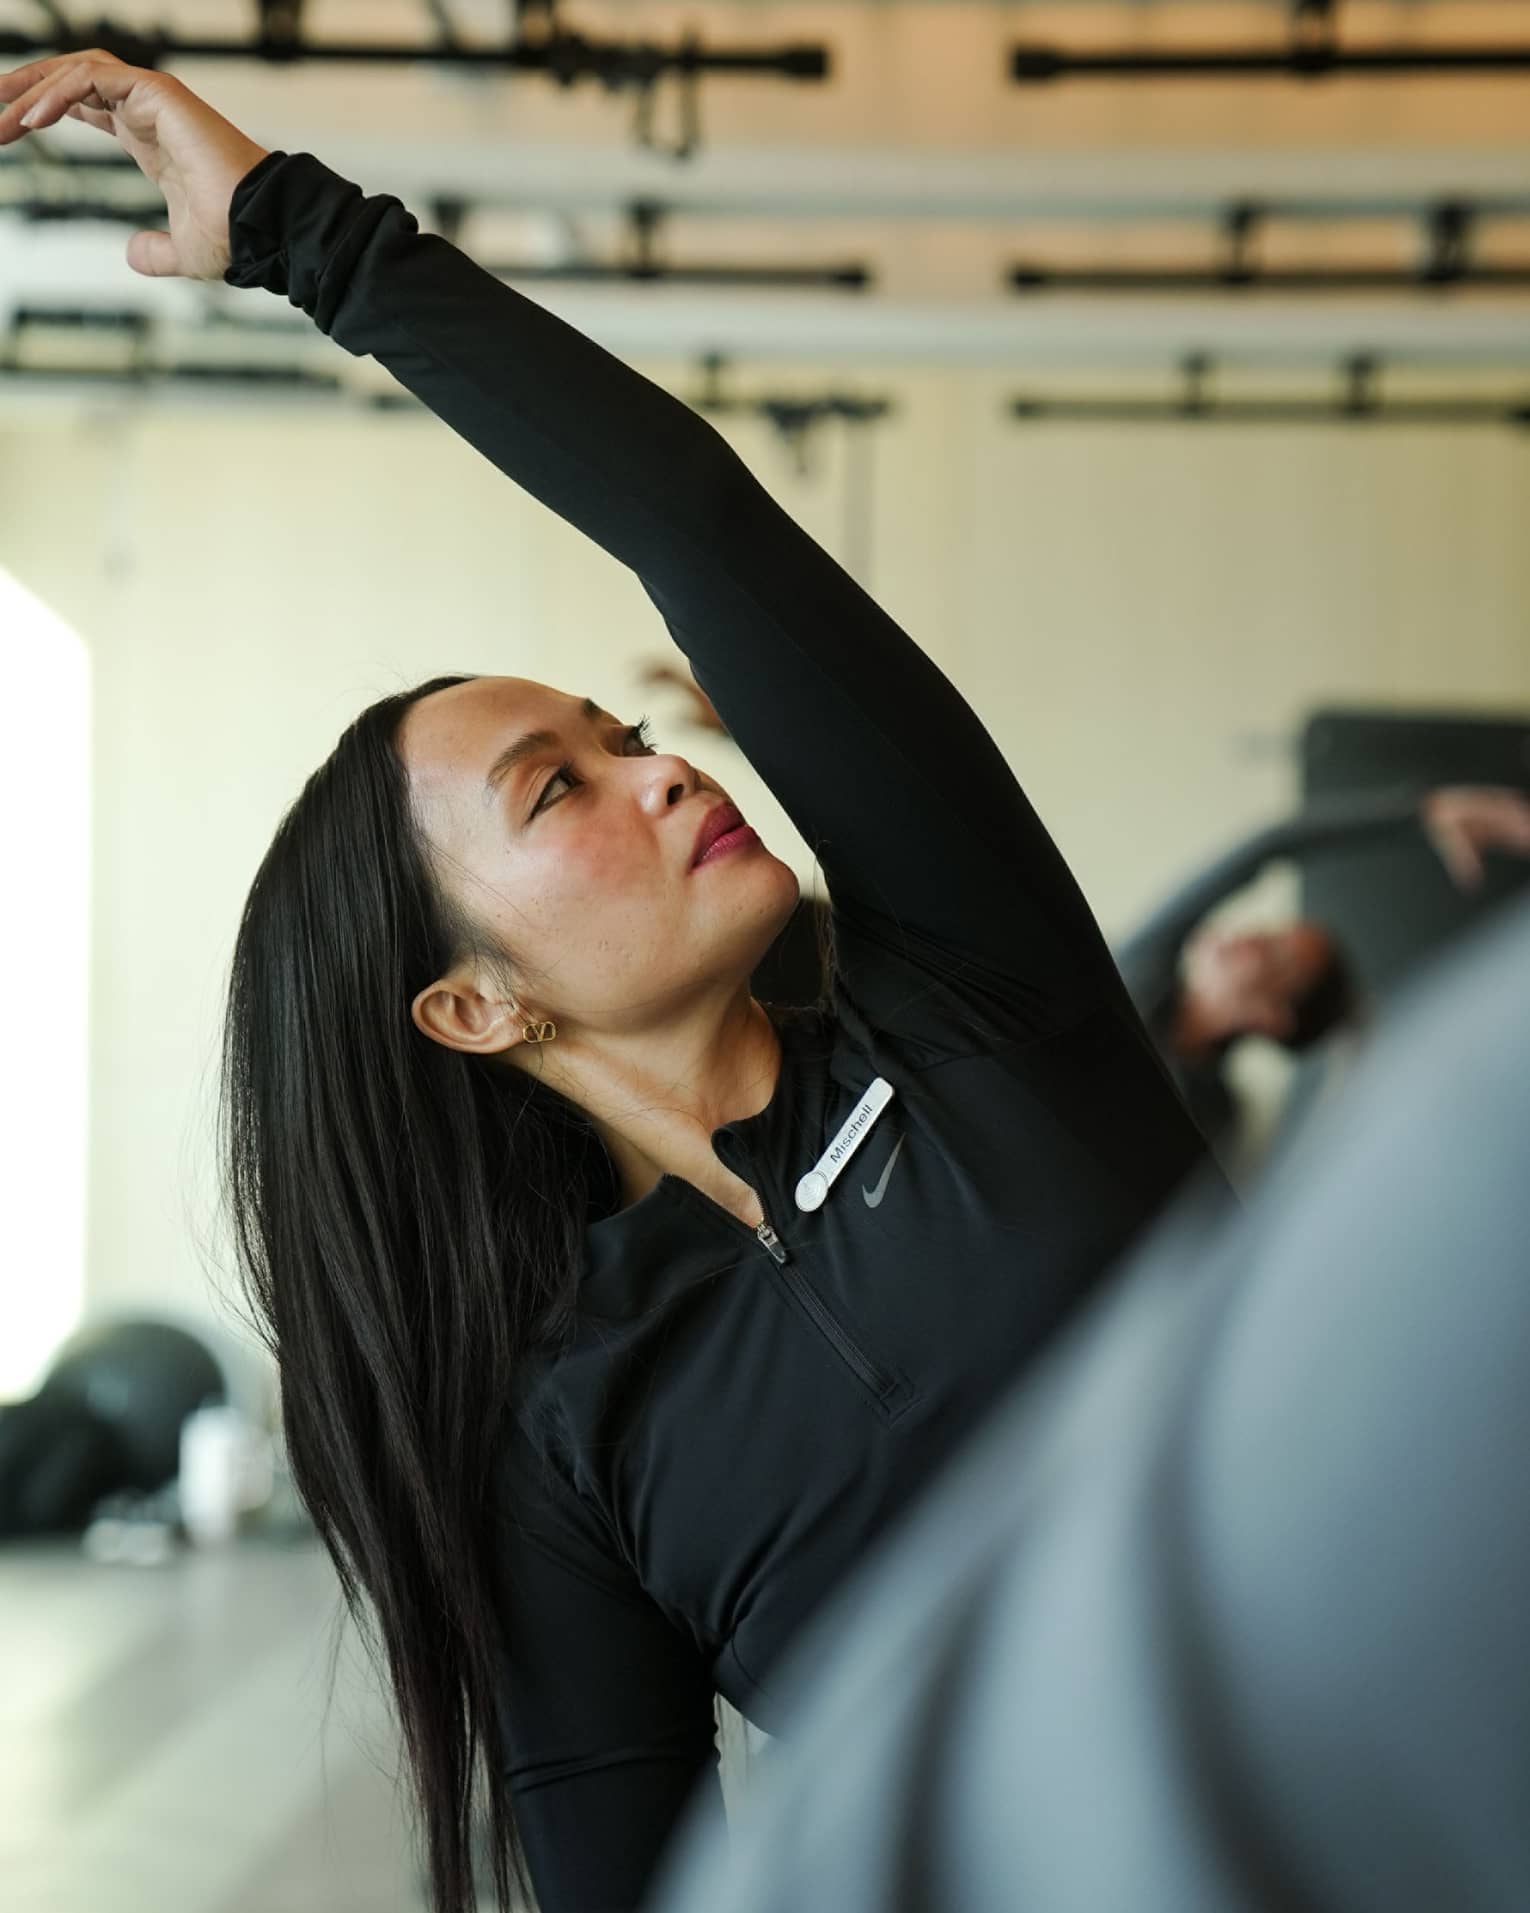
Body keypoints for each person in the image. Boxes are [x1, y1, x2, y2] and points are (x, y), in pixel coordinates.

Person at [0, 54, 1217, 1913]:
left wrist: (308, 242)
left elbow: (701, 526)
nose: (667, 767)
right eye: (560, 787)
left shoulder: (975, 1005)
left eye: (618, 730)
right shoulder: (562, 1423)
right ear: (474, 1007)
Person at [652, 887, 1530, 1913]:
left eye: (1276, 966)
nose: (1247, 948)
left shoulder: (1171, 1103)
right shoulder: (1135, 998)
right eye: (1269, 939)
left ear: (1270, 1021)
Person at [1113, 782, 1530, 1165]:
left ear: (1271, 1016)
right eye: (1270, 932)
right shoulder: (1138, 971)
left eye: (1278, 957)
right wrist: (1421, 813)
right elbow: (1270, 846)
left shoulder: (1213, 1120)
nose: (1253, 938)